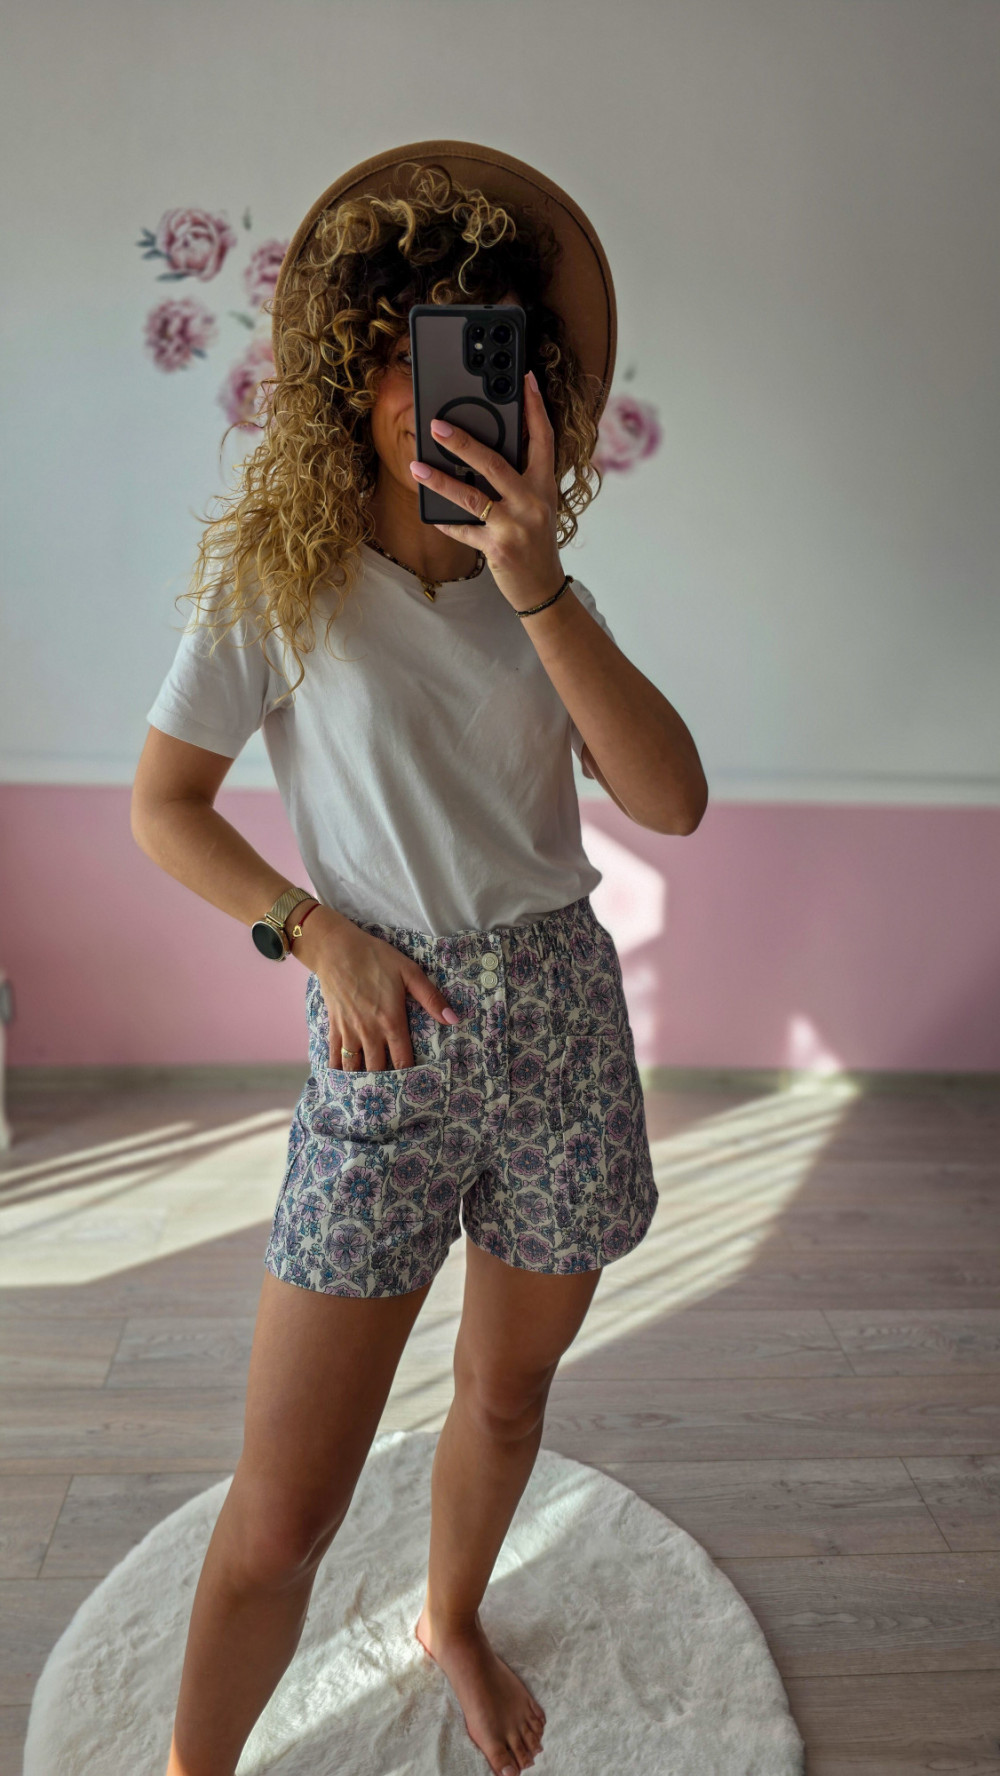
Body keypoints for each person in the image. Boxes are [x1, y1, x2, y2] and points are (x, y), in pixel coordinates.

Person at [131, 140, 708, 1776]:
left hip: (561, 1028)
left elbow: (671, 801)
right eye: (402, 350)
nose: (430, 391)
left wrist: (537, 581)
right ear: (350, 372)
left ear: (535, 382)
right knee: (282, 1514)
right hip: (387, 1033)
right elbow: (166, 807)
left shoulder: (546, 591)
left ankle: (452, 1615)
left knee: (508, 1397)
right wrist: (314, 932)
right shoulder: (283, 582)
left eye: (476, 349)